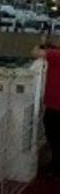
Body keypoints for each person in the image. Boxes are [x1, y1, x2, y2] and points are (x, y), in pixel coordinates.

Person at [33, 35, 60, 173]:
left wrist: (43, 43)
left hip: (55, 106)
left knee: (52, 133)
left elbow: (35, 52)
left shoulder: (55, 55)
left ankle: (56, 166)